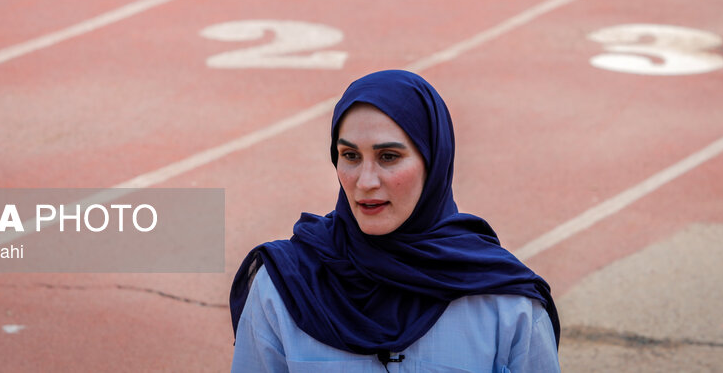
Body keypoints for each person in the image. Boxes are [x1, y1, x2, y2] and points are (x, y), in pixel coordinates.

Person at [230, 70, 560, 371]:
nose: (365, 181)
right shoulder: (285, 285)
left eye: (388, 157)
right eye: (350, 156)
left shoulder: (505, 304)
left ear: (434, 163)